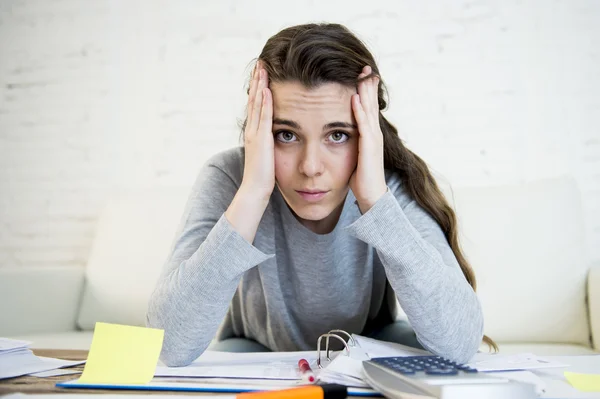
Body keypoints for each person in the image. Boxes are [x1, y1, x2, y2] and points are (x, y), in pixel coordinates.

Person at [147, 22, 496, 367]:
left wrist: (376, 201)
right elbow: (169, 345)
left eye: (338, 135)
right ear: (258, 131)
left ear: (368, 134)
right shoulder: (230, 177)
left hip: (370, 344)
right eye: (286, 135)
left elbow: (460, 343)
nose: (311, 166)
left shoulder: (389, 185)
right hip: (254, 350)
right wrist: (252, 193)